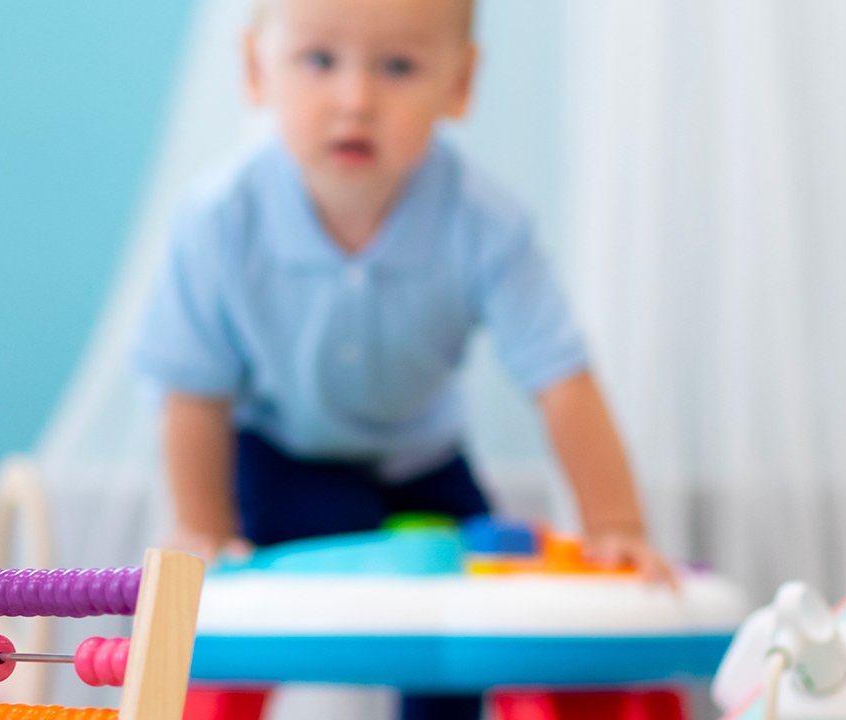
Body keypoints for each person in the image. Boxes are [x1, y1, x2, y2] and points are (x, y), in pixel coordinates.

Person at [134, 0, 670, 717]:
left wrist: (617, 525)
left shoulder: (487, 222)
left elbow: (561, 378)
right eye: (320, 61)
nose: (356, 101)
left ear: (460, 83)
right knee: (249, 612)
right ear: (256, 70)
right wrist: (203, 521)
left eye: (398, 67)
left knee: (468, 624)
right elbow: (194, 394)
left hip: (424, 463)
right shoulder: (218, 221)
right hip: (279, 455)